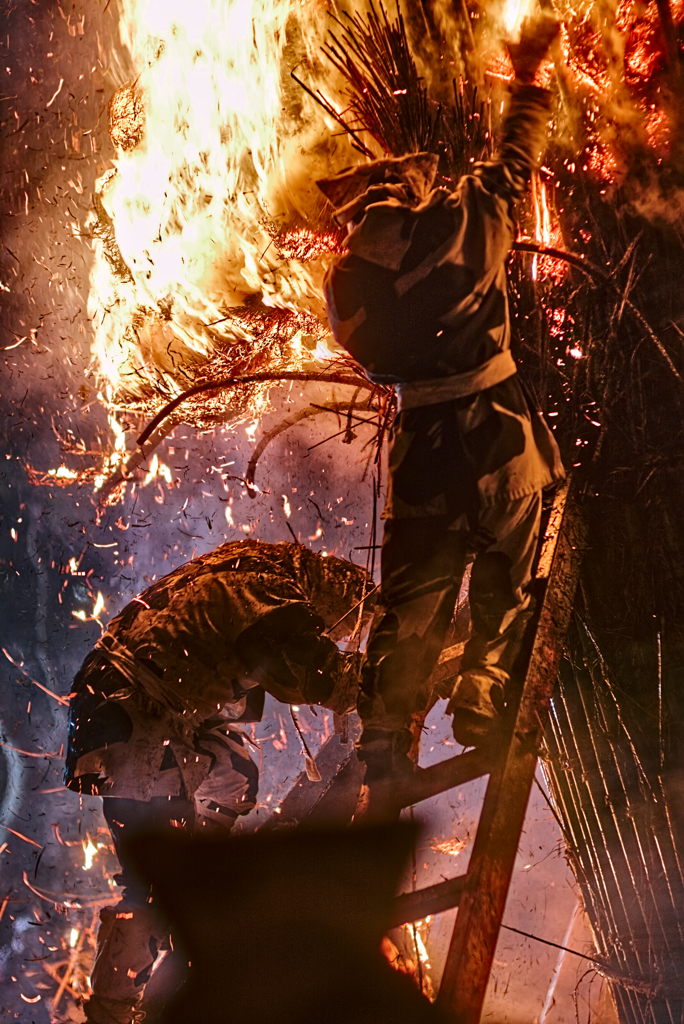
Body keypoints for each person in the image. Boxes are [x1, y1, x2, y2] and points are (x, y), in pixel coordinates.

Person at [316, 16, 565, 791]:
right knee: (514, 561)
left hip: (422, 449)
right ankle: (484, 701)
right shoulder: (470, 220)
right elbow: (515, 157)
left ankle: (386, 734)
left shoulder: (344, 285)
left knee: (411, 600)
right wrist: (529, 81)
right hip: (496, 434)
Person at [64, 539, 372, 1024]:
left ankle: (203, 885)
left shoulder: (247, 565)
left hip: (125, 710)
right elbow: (320, 676)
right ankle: (112, 1015)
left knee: (235, 771)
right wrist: (389, 682)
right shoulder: (272, 591)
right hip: (137, 720)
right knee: (158, 894)